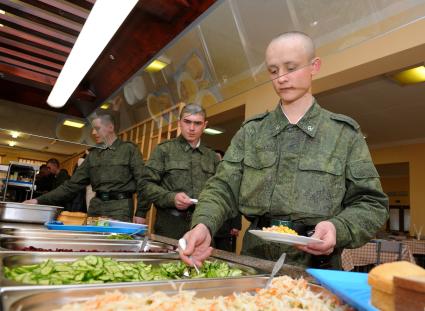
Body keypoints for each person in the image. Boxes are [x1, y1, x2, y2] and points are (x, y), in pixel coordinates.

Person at [180, 31, 389, 269]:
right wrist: (203, 225)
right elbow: (222, 188)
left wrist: (337, 228)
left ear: (314, 66)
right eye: (273, 71)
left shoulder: (344, 134)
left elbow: (372, 203)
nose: (281, 78)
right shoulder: (252, 132)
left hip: (318, 265)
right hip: (254, 260)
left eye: (290, 68)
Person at [24, 111, 145, 222]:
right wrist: (38, 200)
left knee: (116, 243)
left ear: (110, 127)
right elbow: (71, 186)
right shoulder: (93, 155)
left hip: (120, 210)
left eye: (97, 128)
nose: (93, 133)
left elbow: (143, 182)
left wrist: (141, 212)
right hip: (95, 209)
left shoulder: (129, 149)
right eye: (93, 129)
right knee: (92, 242)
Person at [134, 104, 219, 239]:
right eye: (187, 122)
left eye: (197, 123)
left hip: (202, 226)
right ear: (180, 122)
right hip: (170, 225)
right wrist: (171, 198)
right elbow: (145, 185)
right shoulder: (164, 150)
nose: (191, 128)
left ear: (205, 125)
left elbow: (219, 191)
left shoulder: (212, 157)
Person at [213, 150, 241, 252]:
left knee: (225, 254)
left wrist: (236, 225)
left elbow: (236, 200)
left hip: (226, 226)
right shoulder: (206, 175)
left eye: (218, 158)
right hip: (210, 224)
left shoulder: (231, 177)